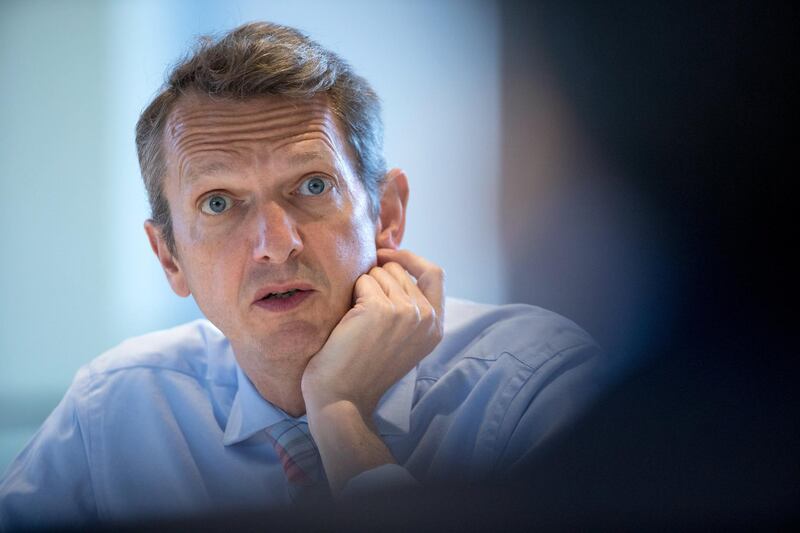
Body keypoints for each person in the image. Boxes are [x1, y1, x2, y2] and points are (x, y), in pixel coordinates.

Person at [0, 21, 609, 530]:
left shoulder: (532, 386)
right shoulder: (114, 409)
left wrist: (341, 416)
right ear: (170, 259)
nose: (274, 245)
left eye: (313, 186)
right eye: (218, 202)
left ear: (386, 215)